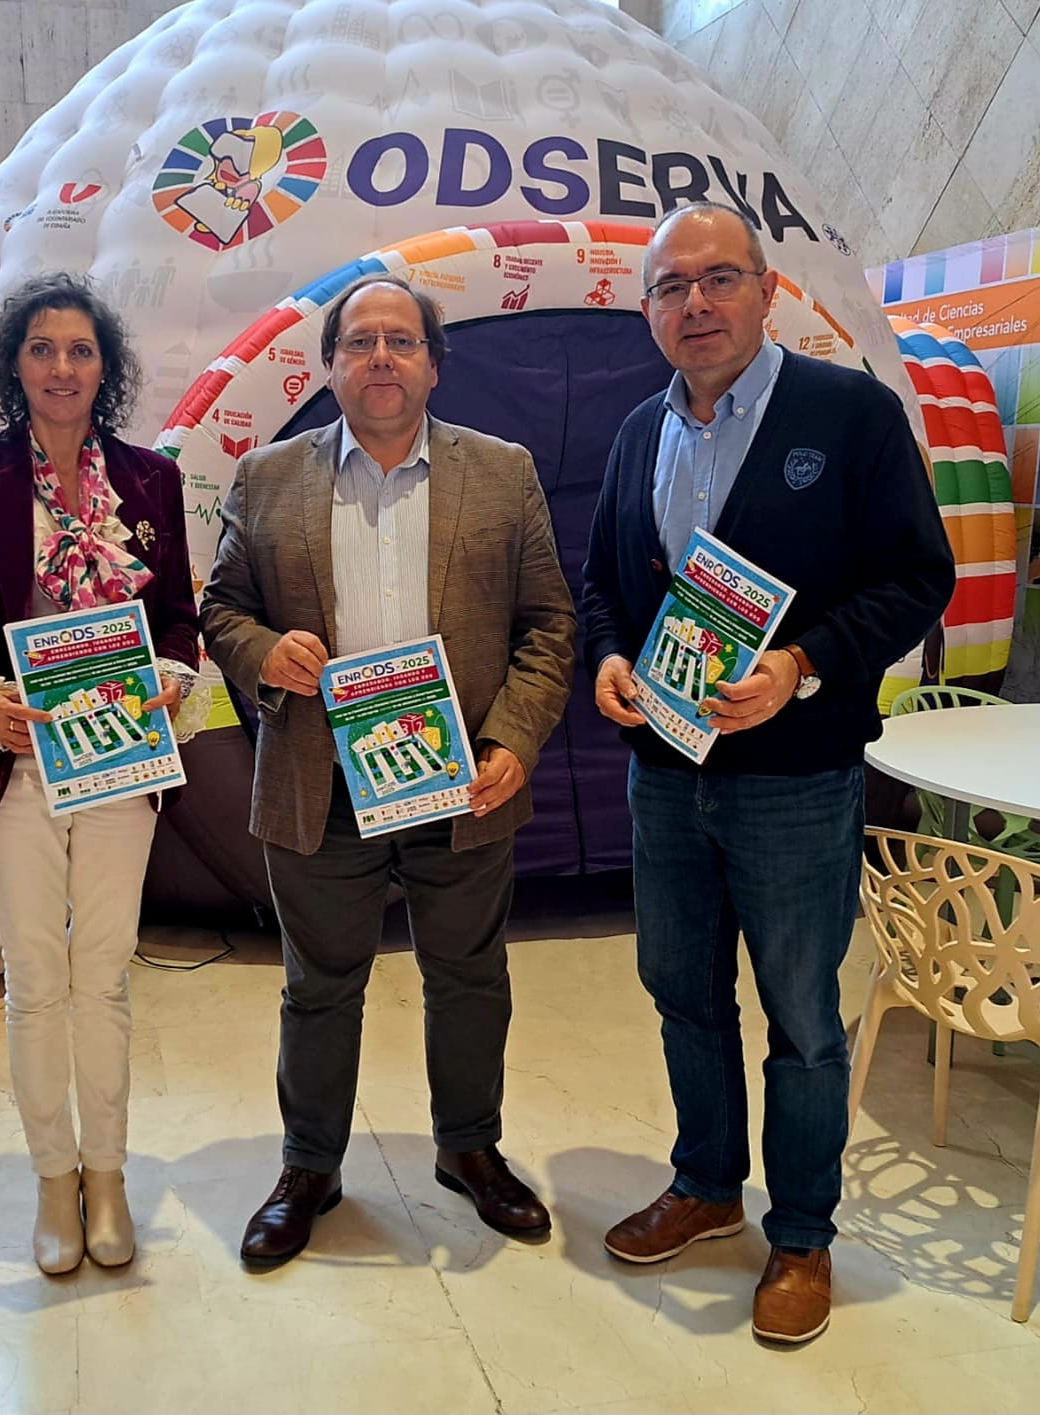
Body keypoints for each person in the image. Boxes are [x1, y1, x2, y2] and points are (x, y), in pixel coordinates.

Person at [582, 202, 956, 1343]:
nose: (693, 304)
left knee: (800, 1014)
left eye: (716, 279)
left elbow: (914, 579)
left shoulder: (847, 414)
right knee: (679, 991)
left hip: (795, 773)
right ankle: (704, 1183)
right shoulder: (637, 431)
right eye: (668, 288)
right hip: (666, 769)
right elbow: (602, 580)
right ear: (645, 310)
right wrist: (606, 656)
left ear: (765, 289)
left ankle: (799, 1232)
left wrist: (798, 665)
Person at [200, 274, 576, 1266]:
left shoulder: (502, 472)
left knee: (469, 975)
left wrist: (513, 740)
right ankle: (309, 1164)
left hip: (459, 783)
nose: (378, 357)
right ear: (326, 365)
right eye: (357, 340)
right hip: (320, 785)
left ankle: (469, 1147)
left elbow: (548, 624)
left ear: (432, 363)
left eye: (399, 341)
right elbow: (221, 605)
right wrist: (260, 652)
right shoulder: (267, 474)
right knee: (317, 985)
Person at [0, 273, 200, 1276]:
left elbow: (177, 621)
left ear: (105, 365)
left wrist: (170, 676)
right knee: (35, 978)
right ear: (14, 364)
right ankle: (51, 1178)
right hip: (15, 760)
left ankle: (108, 1174)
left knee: (104, 972)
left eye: (80, 350)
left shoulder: (151, 482)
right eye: (42, 348)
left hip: (117, 756)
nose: (62, 367)